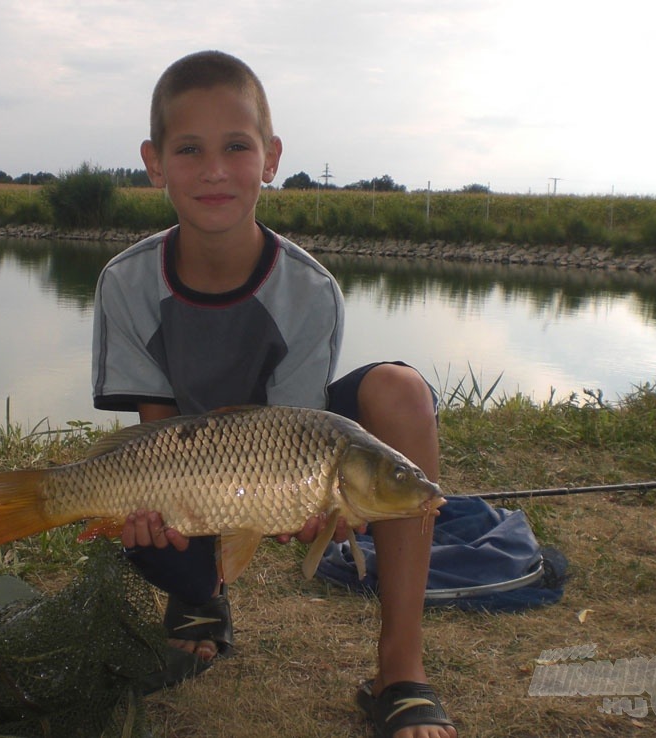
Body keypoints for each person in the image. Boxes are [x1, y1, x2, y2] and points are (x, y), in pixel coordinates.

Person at [91, 50, 456, 738]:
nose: (215, 170)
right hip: (186, 463)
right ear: (155, 162)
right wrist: (154, 515)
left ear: (270, 157)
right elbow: (155, 433)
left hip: (283, 449)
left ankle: (401, 670)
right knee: (143, 501)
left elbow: (299, 431)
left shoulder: (309, 289)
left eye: (236, 146)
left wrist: (315, 499)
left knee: (402, 392)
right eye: (190, 150)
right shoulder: (126, 282)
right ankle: (198, 596)